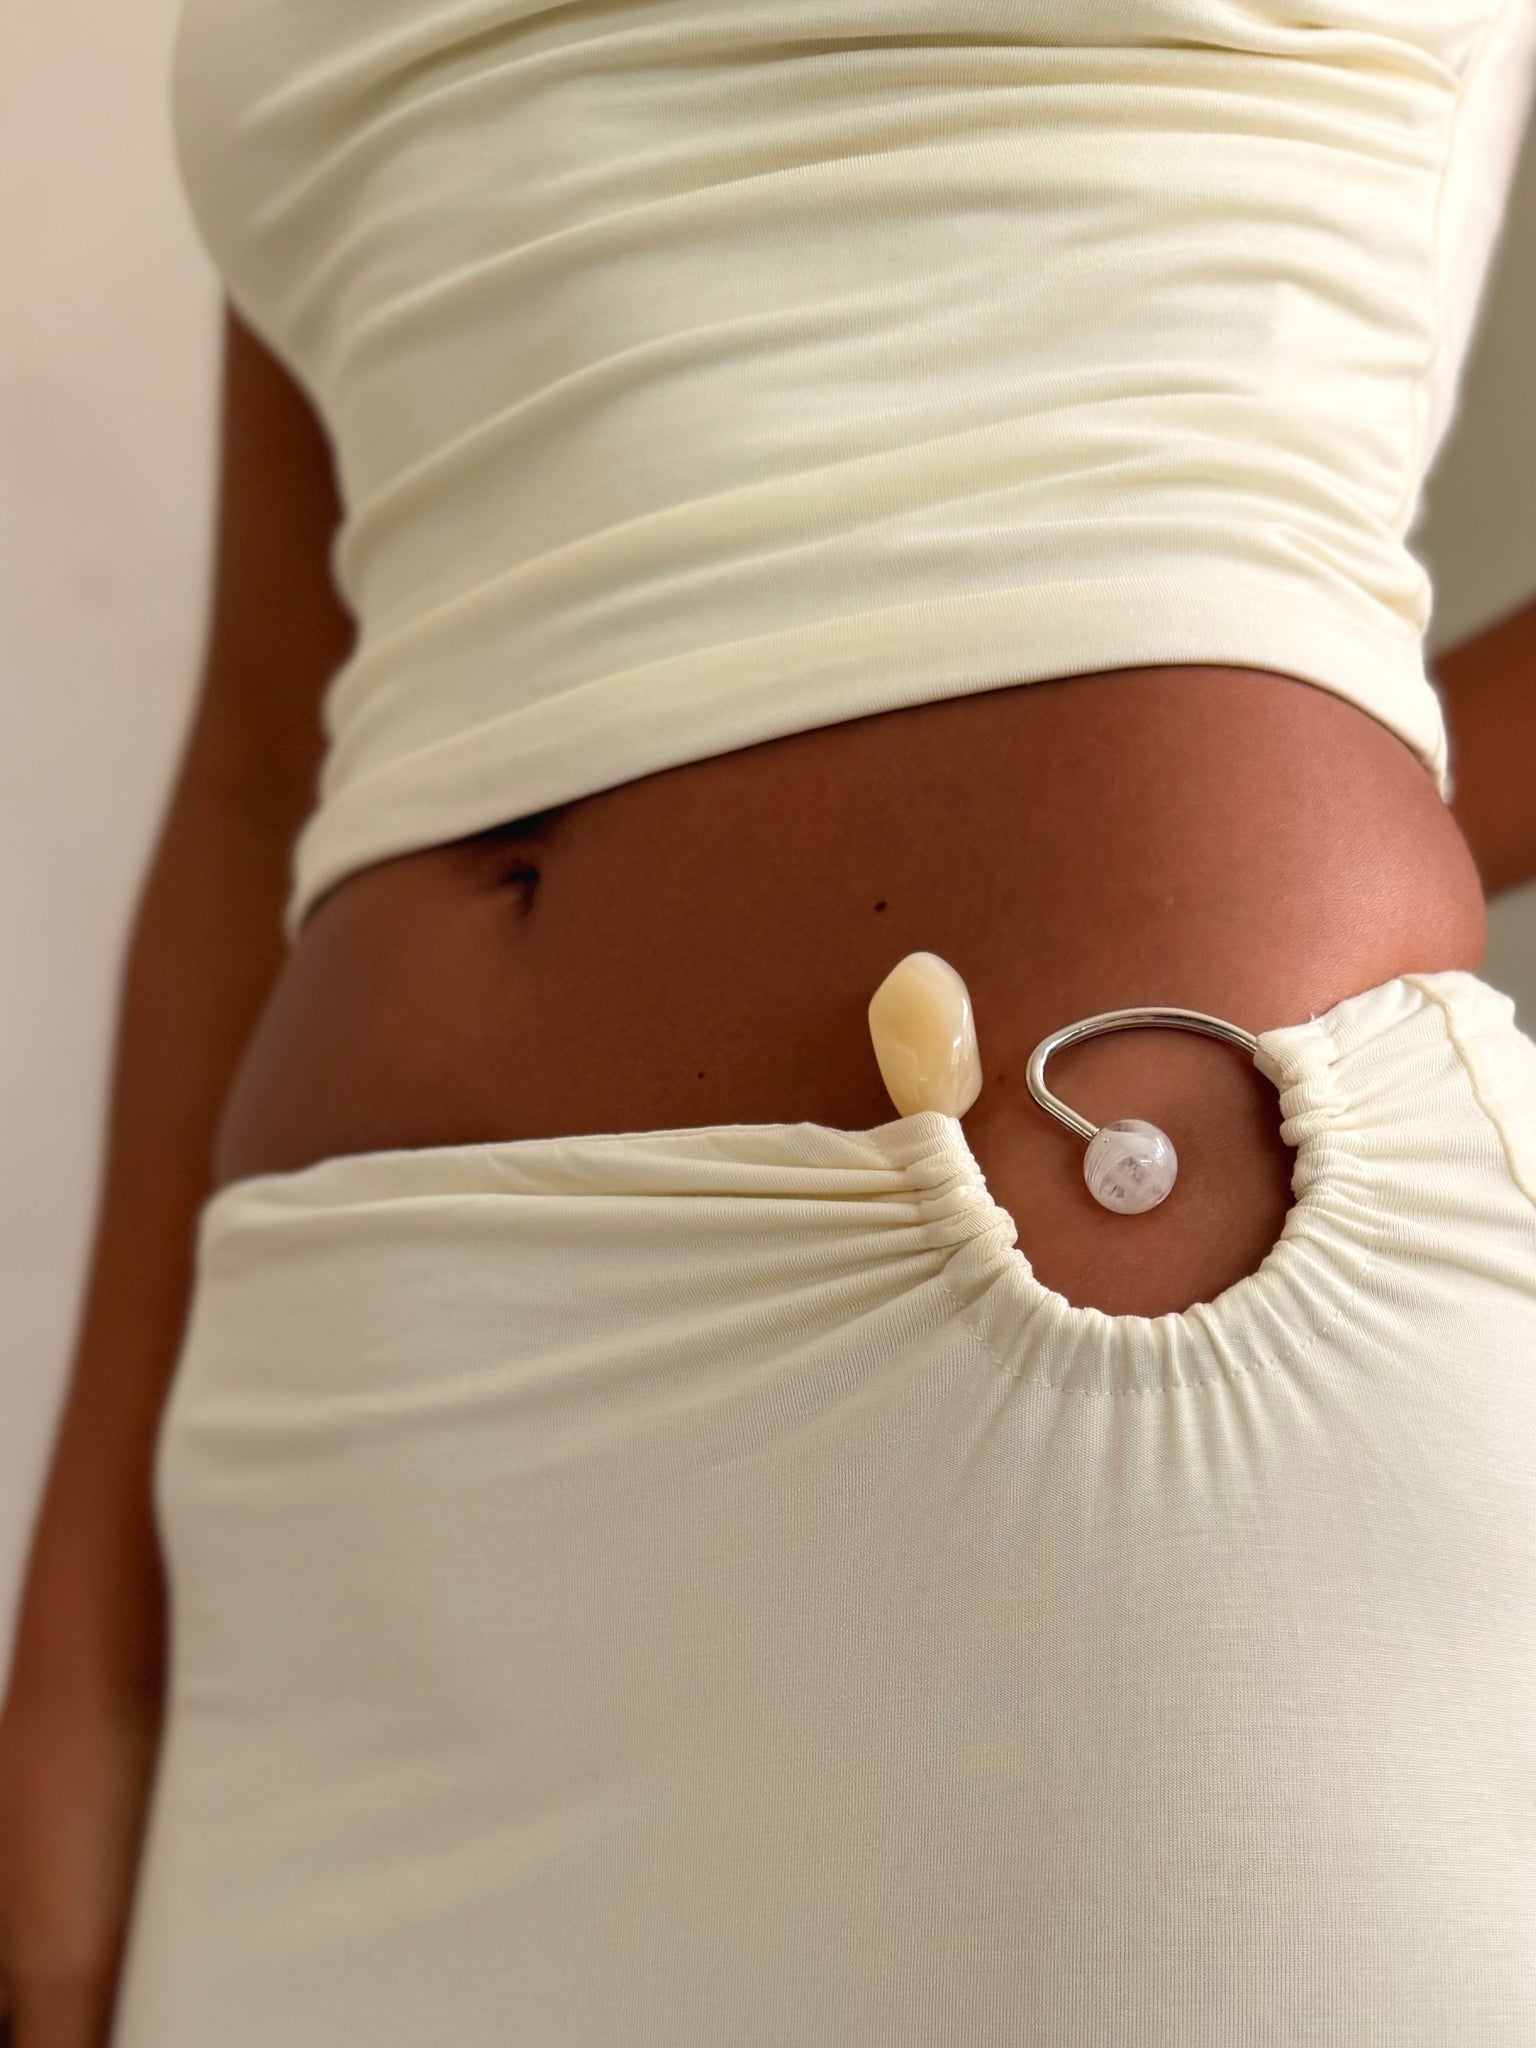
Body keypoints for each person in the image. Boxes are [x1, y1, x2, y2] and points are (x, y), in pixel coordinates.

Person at [4, 3, 1536, 2042]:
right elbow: (262, 768)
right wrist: (89, 1645)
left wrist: (1280, 812)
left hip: (1099, 1421)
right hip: (354, 1485)